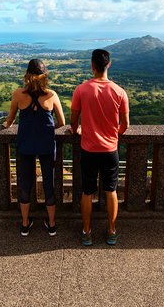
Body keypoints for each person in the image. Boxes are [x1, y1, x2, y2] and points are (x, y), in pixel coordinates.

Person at [70, 49, 129, 246]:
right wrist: (114, 134)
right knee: (111, 190)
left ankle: (87, 232)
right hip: (110, 150)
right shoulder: (120, 92)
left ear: (92, 66)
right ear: (109, 65)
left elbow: (73, 120)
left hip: (88, 149)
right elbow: (125, 125)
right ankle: (111, 231)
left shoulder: (81, 90)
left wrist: (76, 130)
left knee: (87, 191)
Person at [3, 59, 65, 237]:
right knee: (48, 184)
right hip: (46, 144)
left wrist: (6, 125)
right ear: (45, 76)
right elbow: (61, 122)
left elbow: (10, 120)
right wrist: (46, 129)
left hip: (25, 144)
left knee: (24, 184)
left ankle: (25, 224)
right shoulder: (51, 95)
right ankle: (51, 224)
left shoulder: (18, 94)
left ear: (27, 75)